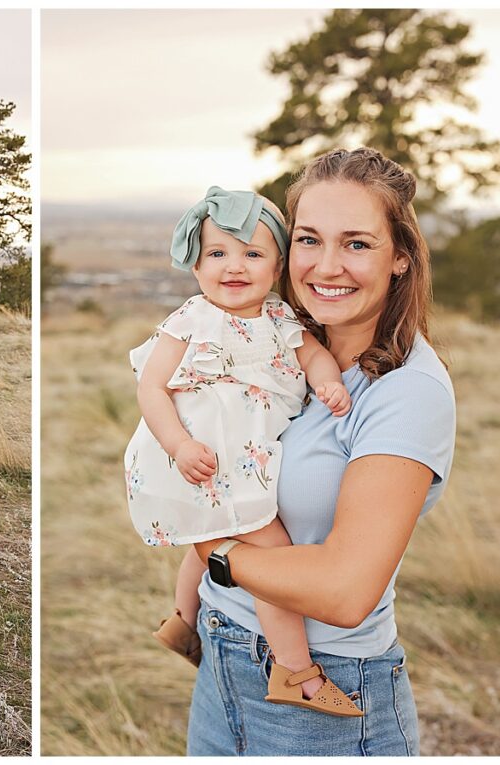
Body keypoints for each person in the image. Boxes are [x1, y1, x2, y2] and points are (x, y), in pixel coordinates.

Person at [186, 148, 456, 755]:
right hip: (225, 653)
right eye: (309, 239)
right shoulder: (283, 350)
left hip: (325, 689)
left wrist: (213, 549)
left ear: (401, 256)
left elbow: (344, 591)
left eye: (357, 243)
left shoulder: (406, 392)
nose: (327, 266)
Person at [125, 187, 360, 717]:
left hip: (241, 459)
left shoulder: (279, 318)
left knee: (210, 536)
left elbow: (315, 357)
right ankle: (296, 671)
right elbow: (151, 387)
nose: (234, 266)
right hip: (201, 458)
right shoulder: (191, 319)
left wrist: (327, 382)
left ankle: (182, 620)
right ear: (196, 264)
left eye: (252, 253)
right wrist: (179, 444)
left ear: (278, 266)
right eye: (217, 253)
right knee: (272, 560)